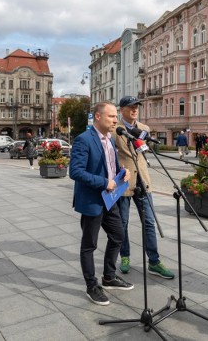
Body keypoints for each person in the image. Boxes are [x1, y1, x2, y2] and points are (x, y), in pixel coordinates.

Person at [69, 101, 133, 306]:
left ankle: (108, 277)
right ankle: (91, 286)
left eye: (115, 117)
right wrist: (105, 182)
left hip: (110, 200)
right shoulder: (83, 140)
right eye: (111, 116)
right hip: (92, 201)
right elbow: (76, 172)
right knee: (89, 245)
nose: (116, 120)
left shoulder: (110, 139)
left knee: (118, 236)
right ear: (98, 117)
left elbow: (108, 165)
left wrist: (122, 173)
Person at [115, 96, 175, 279]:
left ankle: (154, 261)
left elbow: (143, 154)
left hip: (143, 180)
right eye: (131, 107)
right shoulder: (114, 130)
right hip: (124, 181)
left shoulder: (144, 129)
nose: (134, 110)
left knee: (149, 222)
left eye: (136, 107)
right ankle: (124, 256)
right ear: (122, 109)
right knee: (123, 223)